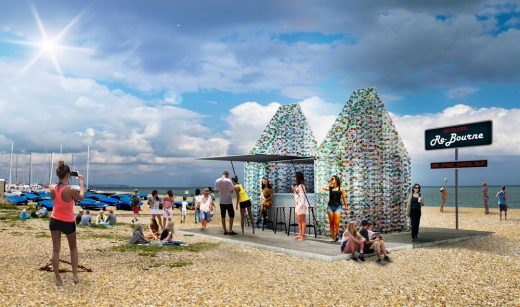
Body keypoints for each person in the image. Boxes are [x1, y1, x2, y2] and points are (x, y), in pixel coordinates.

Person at [49, 160, 85, 286]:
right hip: (68, 222)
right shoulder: (70, 190)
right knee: (73, 248)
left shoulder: (51, 187)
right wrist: (81, 183)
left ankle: (58, 279)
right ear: (68, 175)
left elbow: (56, 199)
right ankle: (74, 275)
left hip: (55, 220)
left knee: (56, 250)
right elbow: (81, 196)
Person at [321, 175, 349, 242]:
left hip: (338, 207)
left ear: (336, 180)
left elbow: (344, 200)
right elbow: (323, 188)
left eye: (332, 179)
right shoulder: (330, 187)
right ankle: (333, 238)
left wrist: (346, 208)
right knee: (331, 223)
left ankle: (337, 234)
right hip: (330, 207)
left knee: (336, 222)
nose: (331, 180)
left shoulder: (341, 189)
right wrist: (328, 182)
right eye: (331, 179)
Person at [215, 171, 236, 235]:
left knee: (223, 216)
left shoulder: (217, 181)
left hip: (222, 201)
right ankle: (230, 230)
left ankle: (225, 230)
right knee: (231, 216)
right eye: (228, 175)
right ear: (227, 174)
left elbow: (216, 190)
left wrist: (221, 191)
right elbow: (232, 191)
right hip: (228, 201)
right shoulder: (228, 180)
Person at [292, 171, 308, 241]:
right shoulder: (298, 186)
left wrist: (295, 191)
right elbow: (297, 195)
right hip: (298, 204)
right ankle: (300, 233)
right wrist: (295, 190)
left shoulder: (302, 186)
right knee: (298, 220)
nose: (295, 177)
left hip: (301, 205)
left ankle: (302, 235)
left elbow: (302, 196)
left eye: (295, 176)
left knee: (302, 220)